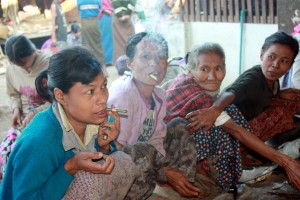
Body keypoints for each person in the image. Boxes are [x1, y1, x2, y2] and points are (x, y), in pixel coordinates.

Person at [0, 46, 137, 199]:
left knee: (125, 160)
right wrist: (70, 167)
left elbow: (104, 161)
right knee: (90, 183)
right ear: (61, 96)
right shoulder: (41, 140)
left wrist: (104, 146)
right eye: (90, 91)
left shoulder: (90, 119)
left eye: (103, 86)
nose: (103, 99)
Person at [165, 42, 300, 194]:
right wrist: (286, 162)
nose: (213, 76)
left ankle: (229, 170)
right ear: (191, 71)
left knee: (225, 117)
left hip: (179, 143)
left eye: (218, 68)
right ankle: (218, 175)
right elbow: (237, 130)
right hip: (171, 150)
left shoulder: (186, 81)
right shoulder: (200, 98)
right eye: (204, 69)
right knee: (229, 118)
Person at [108, 32, 202, 199]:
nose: (155, 64)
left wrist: (160, 167)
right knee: (144, 151)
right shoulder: (124, 95)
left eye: (161, 57)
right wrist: (162, 170)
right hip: (118, 167)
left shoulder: (159, 94)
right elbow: (117, 150)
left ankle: (183, 185)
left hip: (147, 159)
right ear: (130, 63)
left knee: (181, 126)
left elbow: (157, 136)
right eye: (145, 57)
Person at [191, 31, 300, 154]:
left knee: (292, 101)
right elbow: (230, 93)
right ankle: (245, 151)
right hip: (227, 131)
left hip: (242, 128)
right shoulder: (253, 79)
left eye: (284, 61)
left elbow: (263, 94)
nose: (275, 65)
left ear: (290, 66)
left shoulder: (273, 82)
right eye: (272, 57)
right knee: (282, 112)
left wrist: (280, 93)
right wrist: (214, 110)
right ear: (261, 54)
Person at [0, 35, 51, 175]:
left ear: (34, 51)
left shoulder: (49, 63)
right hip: (25, 120)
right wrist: (16, 109)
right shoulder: (12, 68)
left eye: (24, 63)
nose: (21, 67)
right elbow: (13, 94)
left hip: (49, 115)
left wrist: (35, 113)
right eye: (17, 64)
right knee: (7, 154)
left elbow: (59, 98)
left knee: (30, 156)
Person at [77, 0, 107, 73]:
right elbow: (100, 9)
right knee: (98, 46)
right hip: (95, 22)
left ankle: (89, 71)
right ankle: (104, 70)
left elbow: (79, 9)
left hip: (85, 23)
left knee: (86, 46)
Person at [111, 0, 135, 64]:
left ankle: (121, 64)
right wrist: (128, 13)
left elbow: (115, 2)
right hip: (128, 16)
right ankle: (132, 62)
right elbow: (133, 2)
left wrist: (120, 15)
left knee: (118, 43)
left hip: (118, 16)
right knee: (131, 40)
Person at [98, 0, 114, 65]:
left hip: (107, 17)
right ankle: (108, 60)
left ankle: (109, 60)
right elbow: (101, 7)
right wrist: (110, 12)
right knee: (106, 39)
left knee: (108, 39)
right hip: (105, 17)